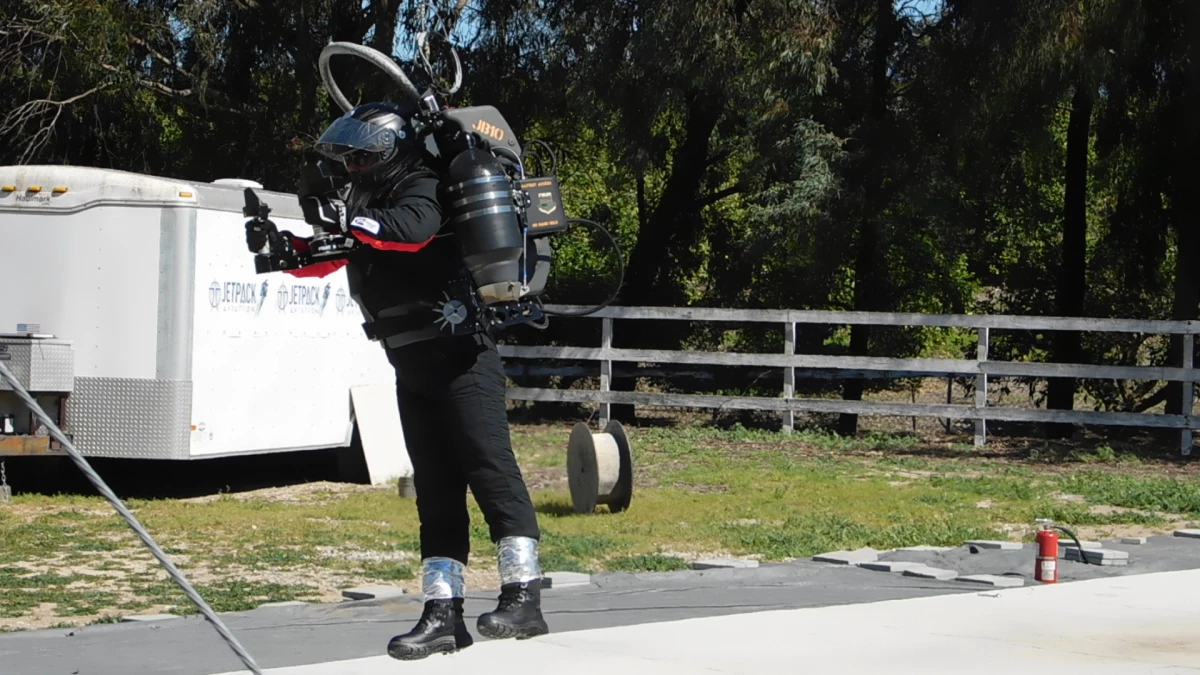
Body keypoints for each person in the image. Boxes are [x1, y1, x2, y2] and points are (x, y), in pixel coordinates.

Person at [244, 100, 550, 660]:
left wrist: (349, 222)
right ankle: (442, 614)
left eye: (361, 158)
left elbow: (407, 233)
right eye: (348, 160)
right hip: (410, 365)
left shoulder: (424, 186)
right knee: (434, 488)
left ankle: (524, 596)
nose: (352, 169)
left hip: (462, 358)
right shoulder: (370, 202)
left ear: (388, 151)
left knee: (489, 469)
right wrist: (287, 250)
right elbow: (343, 249)